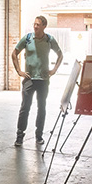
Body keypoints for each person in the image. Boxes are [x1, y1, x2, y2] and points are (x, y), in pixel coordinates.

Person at [12, 15, 63, 146]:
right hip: (29, 79)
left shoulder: (49, 40)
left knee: (42, 107)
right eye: (34, 24)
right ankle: (19, 135)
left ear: (44, 26)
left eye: (38, 25)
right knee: (25, 107)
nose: (35, 27)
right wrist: (19, 71)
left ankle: (39, 135)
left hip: (43, 80)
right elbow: (14, 53)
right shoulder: (28, 38)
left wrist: (54, 70)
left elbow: (60, 54)